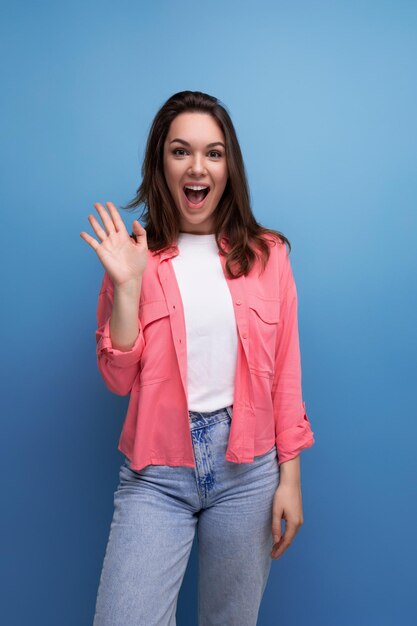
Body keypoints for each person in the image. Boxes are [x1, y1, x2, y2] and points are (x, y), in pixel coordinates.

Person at [80, 90, 315, 626]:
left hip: (248, 472)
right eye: (180, 150)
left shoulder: (268, 255)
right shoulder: (134, 257)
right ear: (160, 163)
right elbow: (118, 379)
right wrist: (126, 288)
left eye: (213, 152)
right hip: (157, 470)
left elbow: (286, 375)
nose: (197, 166)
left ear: (229, 165)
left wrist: (290, 480)